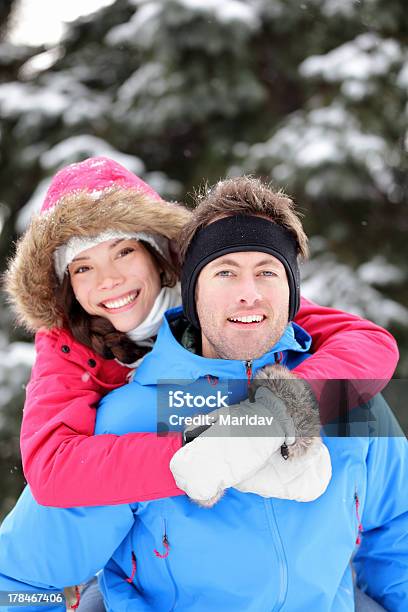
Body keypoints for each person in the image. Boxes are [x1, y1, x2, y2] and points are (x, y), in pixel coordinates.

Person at [0, 177, 405, 611]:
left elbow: (398, 533)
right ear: (192, 289)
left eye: (267, 272)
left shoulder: (345, 395)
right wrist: (192, 451)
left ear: (292, 293)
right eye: (225, 272)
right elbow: (17, 579)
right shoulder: (128, 418)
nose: (248, 294)